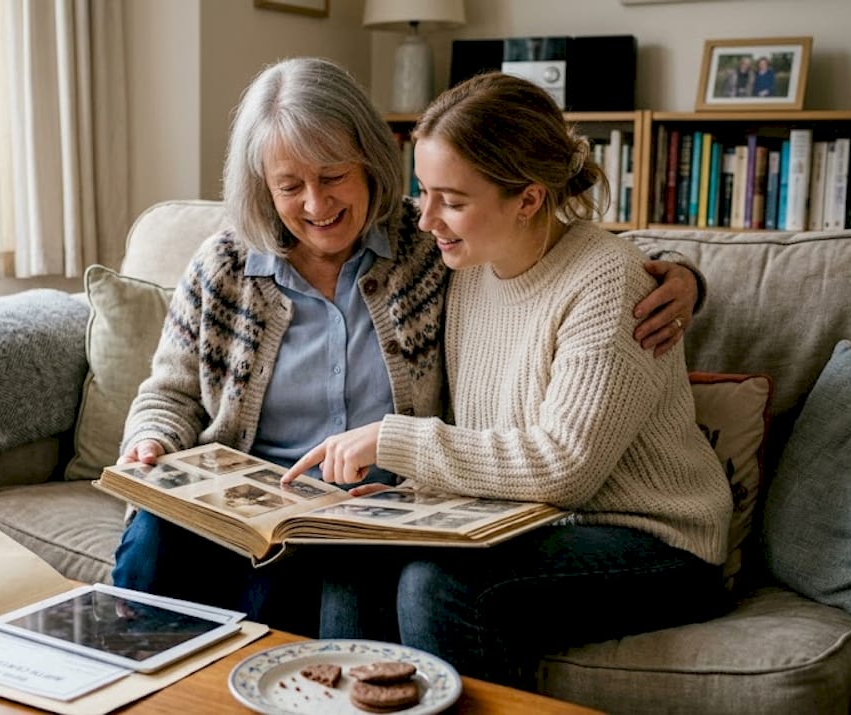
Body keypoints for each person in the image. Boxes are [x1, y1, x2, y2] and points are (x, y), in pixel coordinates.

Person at [110, 58, 703, 638]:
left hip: (605, 526)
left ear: (369, 164)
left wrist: (682, 277)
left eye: (334, 176)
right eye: (291, 186)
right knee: (193, 546)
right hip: (304, 506)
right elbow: (171, 392)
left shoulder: (435, 255)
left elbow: (578, 257)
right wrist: (149, 442)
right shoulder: (452, 258)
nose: (316, 205)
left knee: (405, 578)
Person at [283, 71, 731, 686]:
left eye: (454, 201)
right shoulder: (468, 269)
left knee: (437, 586)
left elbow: (564, 466)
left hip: (657, 544)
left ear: (528, 198)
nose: (426, 219)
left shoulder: (610, 283)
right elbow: (491, 442)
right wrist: (404, 500)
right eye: (424, 192)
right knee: (351, 559)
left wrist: (392, 441)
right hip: (527, 523)